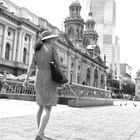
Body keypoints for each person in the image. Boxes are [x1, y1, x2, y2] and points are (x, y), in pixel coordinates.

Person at [23, 30, 60, 140]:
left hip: (38, 77)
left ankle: (40, 132)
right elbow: (58, 64)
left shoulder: (36, 49)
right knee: (47, 108)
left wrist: (26, 80)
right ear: (48, 39)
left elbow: (31, 67)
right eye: (52, 38)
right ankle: (39, 134)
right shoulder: (53, 48)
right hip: (49, 77)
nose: (53, 40)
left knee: (40, 107)